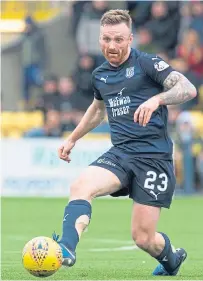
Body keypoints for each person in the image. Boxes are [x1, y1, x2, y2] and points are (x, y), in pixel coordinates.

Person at [53, 10, 197, 276]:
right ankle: (66, 248)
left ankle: (172, 258)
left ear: (130, 39)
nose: (112, 46)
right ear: (100, 40)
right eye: (106, 39)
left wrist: (157, 99)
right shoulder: (100, 75)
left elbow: (189, 89)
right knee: (81, 185)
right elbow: (97, 110)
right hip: (120, 155)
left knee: (143, 238)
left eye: (119, 39)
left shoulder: (148, 64)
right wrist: (72, 139)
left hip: (154, 159)